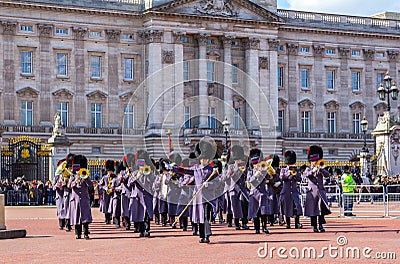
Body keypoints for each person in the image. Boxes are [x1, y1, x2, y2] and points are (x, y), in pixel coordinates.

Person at [303, 145, 331, 232]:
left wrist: (321, 170)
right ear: (311, 162)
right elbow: (306, 175)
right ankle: (314, 226)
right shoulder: (308, 169)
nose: (315, 162)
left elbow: (327, 175)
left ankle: (321, 225)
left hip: (320, 192)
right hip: (312, 193)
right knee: (313, 210)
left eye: (316, 161)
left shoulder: (320, 168)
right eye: (314, 161)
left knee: (321, 210)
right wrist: (313, 171)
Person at [68, 155, 93, 239]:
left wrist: (85, 179)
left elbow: (90, 186)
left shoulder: (86, 175)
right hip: (75, 200)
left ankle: (86, 233)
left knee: (85, 217)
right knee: (76, 217)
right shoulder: (72, 176)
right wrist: (75, 181)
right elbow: (69, 186)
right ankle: (78, 233)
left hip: (84, 199)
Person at [279, 150, 303, 229]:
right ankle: (288, 223)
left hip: (294, 191)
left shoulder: (297, 170)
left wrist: (295, 174)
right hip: (286, 192)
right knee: (287, 208)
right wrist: (289, 172)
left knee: (297, 207)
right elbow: (282, 178)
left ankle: (297, 223)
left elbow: (300, 179)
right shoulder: (283, 170)